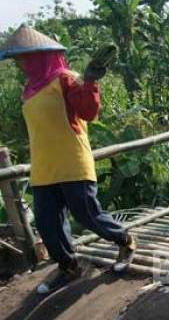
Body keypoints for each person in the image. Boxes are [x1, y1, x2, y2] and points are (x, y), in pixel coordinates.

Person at [0, 24, 136, 294]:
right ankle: (68, 266)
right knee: (48, 224)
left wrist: (90, 82)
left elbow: (88, 112)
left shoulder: (65, 79)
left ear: (40, 56)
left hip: (72, 161)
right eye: (18, 60)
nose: (20, 65)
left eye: (23, 58)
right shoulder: (29, 89)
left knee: (88, 215)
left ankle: (126, 240)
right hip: (43, 167)